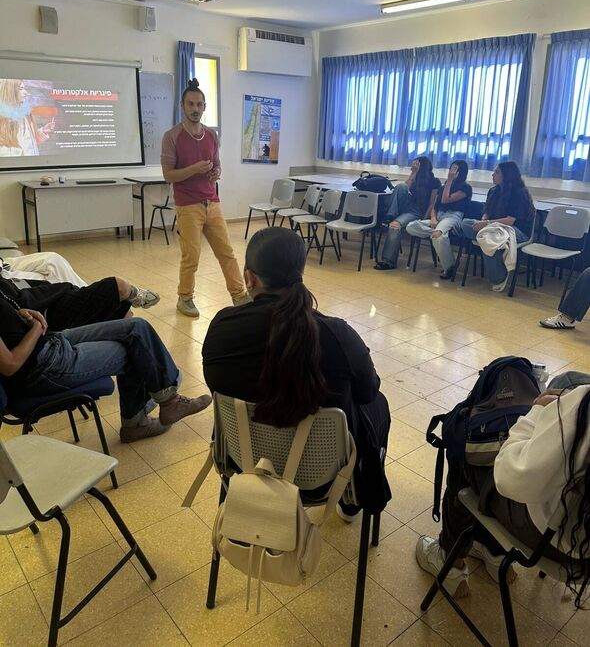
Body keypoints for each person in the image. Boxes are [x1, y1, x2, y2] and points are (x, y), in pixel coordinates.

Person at [202, 226, 390, 520]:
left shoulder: (221, 329)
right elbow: (368, 390)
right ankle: (351, 500)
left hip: (244, 465)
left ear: (249, 278)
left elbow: (217, 387)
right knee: (378, 404)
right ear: (300, 275)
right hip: (324, 479)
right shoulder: (336, 334)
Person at [416, 378, 590, 607]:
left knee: (464, 450)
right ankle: (492, 552)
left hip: (558, 542)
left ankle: (451, 562)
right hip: (584, 545)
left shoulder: (583, 406)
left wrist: (537, 413)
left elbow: (509, 477)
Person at [0, 294, 211, 443]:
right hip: (45, 366)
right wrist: (36, 328)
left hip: (48, 342)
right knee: (135, 350)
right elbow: (9, 365)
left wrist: (18, 313)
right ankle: (140, 422)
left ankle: (165, 401)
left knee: (138, 327)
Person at [161, 78, 249, 318]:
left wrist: (216, 171)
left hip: (212, 202)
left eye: (199, 104)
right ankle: (185, 298)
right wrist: (194, 169)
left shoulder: (211, 135)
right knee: (192, 256)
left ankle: (239, 295)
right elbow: (168, 174)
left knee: (227, 252)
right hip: (187, 204)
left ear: (204, 107)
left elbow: (217, 165)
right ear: (183, 106)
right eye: (191, 104)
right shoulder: (172, 137)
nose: (195, 109)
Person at [461, 161, 535, 292]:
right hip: (493, 228)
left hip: (516, 231)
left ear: (507, 175)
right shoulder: (494, 191)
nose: (493, 175)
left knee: (489, 237)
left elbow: (510, 220)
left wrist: (486, 224)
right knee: (466, 223)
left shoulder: (519, 193)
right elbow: (487, 211)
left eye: (497, 172)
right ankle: (498, 271)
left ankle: (498, 277)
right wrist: (484, 220)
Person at [0, 272, 159, 331]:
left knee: (125, 314)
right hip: (50, 311)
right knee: (118, 286)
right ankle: (135, 294)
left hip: (52, 297)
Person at [406, 160, 472, 279]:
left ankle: (449, 267)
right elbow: (435, 206)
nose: (451, 171)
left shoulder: (466, 188)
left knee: (437, 236)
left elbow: (445, 200)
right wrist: (433, 218)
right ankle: (442, 232)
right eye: (451, 168)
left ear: (461, 172)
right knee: (411, 227)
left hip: (453, 216)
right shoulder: (444, 186)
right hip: (439, 216)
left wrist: (450, 181)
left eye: (455, 169)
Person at [374, 156, 441, 271]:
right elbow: (404, 191)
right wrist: (413, 174)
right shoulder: (414, 178)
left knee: (394, 226)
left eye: (415, 165)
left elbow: (432, 203)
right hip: (406, 207)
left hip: (417, 211)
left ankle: (388, 261)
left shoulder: (434, 181)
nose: (412, 166)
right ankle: (390, 215)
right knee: (401, 186)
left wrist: (423, 218)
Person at [0, 79, 55, 156]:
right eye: (21, 89)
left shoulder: (25, 114)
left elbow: (28, 141)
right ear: (10, 91)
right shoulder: (3, 118)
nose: (26, 93)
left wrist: (43, 131)